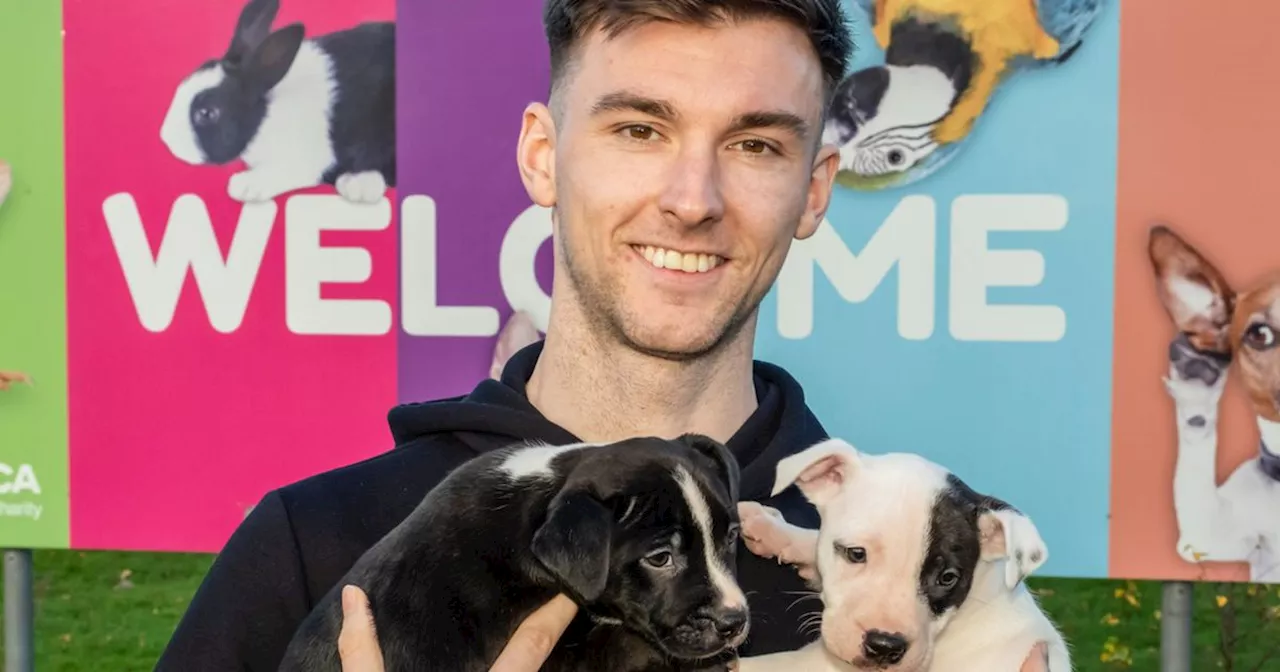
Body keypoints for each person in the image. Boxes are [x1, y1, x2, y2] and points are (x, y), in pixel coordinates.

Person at [157, 0, 855, 669]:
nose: (692, 199)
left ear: (815, 190)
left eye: (755, 144)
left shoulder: (900, 573)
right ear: (542, 157)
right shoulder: (314, 545)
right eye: (640, 130)